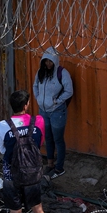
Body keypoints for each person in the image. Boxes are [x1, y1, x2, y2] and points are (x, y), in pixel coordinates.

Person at [0, 89, 48, 213]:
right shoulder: (38, 120)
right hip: (33, 172)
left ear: (11, 106)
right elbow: (40, 142)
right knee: (37, 209)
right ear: (26, 105)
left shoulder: (3, 125)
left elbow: (2, 149)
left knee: (15, 212)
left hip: (12, 174)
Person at [32, 47, 74, 178]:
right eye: (46, 61)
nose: (48, 64)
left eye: (50, 61)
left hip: (57, 111)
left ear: (55, 61)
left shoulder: (62, 73)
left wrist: (57, 101)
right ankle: (50, 164)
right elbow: (35, 85)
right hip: (43, 110)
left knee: (58, 139)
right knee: (48, 137)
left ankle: (59, 168)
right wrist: (38, 98)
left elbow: (69, 90)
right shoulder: (41, 72)